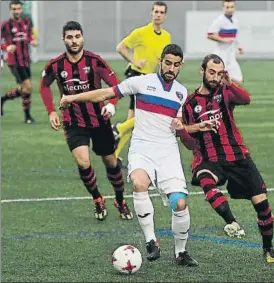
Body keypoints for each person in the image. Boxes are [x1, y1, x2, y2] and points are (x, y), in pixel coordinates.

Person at [59, 44, 219, 267]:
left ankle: (181, 252)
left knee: (180, 203)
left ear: (180, 66)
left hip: (167, 151)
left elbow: (186, 136)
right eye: (167, 62)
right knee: (138, 182)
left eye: (176, 65)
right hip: (142, 147)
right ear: (160, 60)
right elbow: (105, 93)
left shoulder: (182, 94)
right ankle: (151, 241)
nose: (171, 68)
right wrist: (71, 98)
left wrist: (188, 127)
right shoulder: (141, 82)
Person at [181, 54, 274, 264]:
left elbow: (246, 99)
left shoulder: (225, 91)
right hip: (208, 159)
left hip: (237, 156)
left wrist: (230, 83)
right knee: (206, 181)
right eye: (211, 72)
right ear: (202, 71)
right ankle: (231, 222)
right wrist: (195, 129)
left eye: (219, 73)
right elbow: (187, 138)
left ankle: (268, 247)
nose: (215, 77)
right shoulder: (190, 104)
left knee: (262, 204)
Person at [39, 21, 133, 221]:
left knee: (110, 161)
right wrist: (50, 112)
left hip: (99, 120)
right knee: (83, 161)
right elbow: (44, 85)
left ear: (83, 37)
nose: (74, 41)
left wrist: (112, 104)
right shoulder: (55, 65)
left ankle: (119, 199)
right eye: (70, 37)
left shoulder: (95, 61)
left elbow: (116, 86)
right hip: (73, 122)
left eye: (77, 36)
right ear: (63, 39)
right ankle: (97, 198)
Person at [113, 1, 171, 168]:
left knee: (134, 119)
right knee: (146, 116)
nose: (158, 14)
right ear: (151, 13)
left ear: (165, 16)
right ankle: (119, 128)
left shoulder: (166, 36)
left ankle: (115, 156)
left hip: (151, 79)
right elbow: (121, 47)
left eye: (161, 12)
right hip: (138, 76)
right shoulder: (141, 32)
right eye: (156, 11)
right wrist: (134, 60)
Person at [1, 0, 37, 123]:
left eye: (18, 8)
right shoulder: (5, 25)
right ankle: (27, 117)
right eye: (14, 9)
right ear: (10, 10)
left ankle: (3, 99)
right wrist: (6, 48)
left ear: (22, 9)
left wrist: (32, 41)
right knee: (27, 87)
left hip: (26, 60)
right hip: (14, 61)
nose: (16, 11)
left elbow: (29, 36)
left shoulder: (27, 22)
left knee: (26, 89)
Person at [207, 0, 244, 86]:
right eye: (227, 7)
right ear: (223, 8)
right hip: (221, 55)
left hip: (231, 57)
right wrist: (224, 40)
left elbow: (234, 38)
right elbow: (210, 34)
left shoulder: (235, 21)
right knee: (219, 82)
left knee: (238, 81)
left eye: (231, 7)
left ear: (234, 8)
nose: (229, 9)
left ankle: (229, 98)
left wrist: (238, 46)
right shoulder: (219, 20)